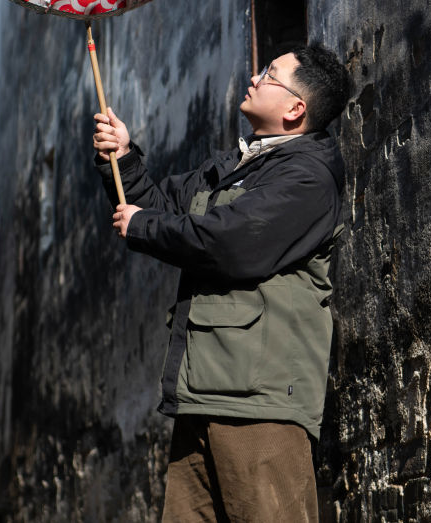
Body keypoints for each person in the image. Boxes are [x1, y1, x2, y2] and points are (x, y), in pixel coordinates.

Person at [92, 43, 351, 521]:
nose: (254, 78)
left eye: (270, 74)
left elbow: (230, 243)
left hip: (261, 399)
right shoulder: (237, 164)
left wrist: (143, 225)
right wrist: (123, 158)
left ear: (296, 109)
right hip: (202, 390)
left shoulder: (307, 177)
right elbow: (159, 205)